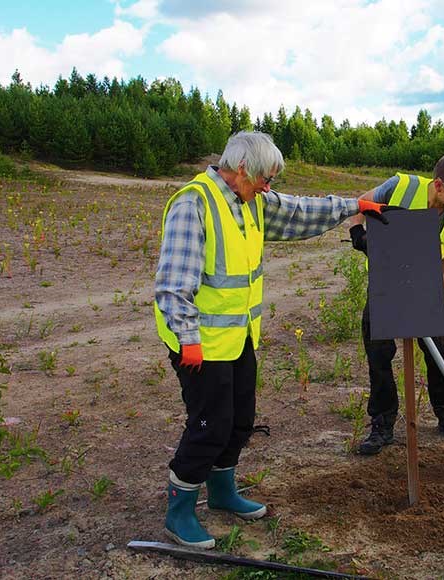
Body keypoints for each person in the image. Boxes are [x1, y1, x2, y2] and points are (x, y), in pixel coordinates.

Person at [154, 131, 390, 548]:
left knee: (240, 420)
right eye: (265, 179)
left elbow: (302, 211)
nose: (269, 188)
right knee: (210, 426)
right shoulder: (194, 204)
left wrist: (356, 206)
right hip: (198, 345)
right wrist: (187, 337)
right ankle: (179, 512)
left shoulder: (253, 200)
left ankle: (223, 493)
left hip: (238, 337)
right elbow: (174, 284)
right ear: (242, 168)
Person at [347, 152, 444, 455]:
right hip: (385, 285)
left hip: (425, 288)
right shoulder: (401, 187)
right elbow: (361, 202)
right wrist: (358, 232)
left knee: (441, 350)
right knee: (379, 351)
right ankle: (382, 423)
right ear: (438, 185)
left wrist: (429, 299)